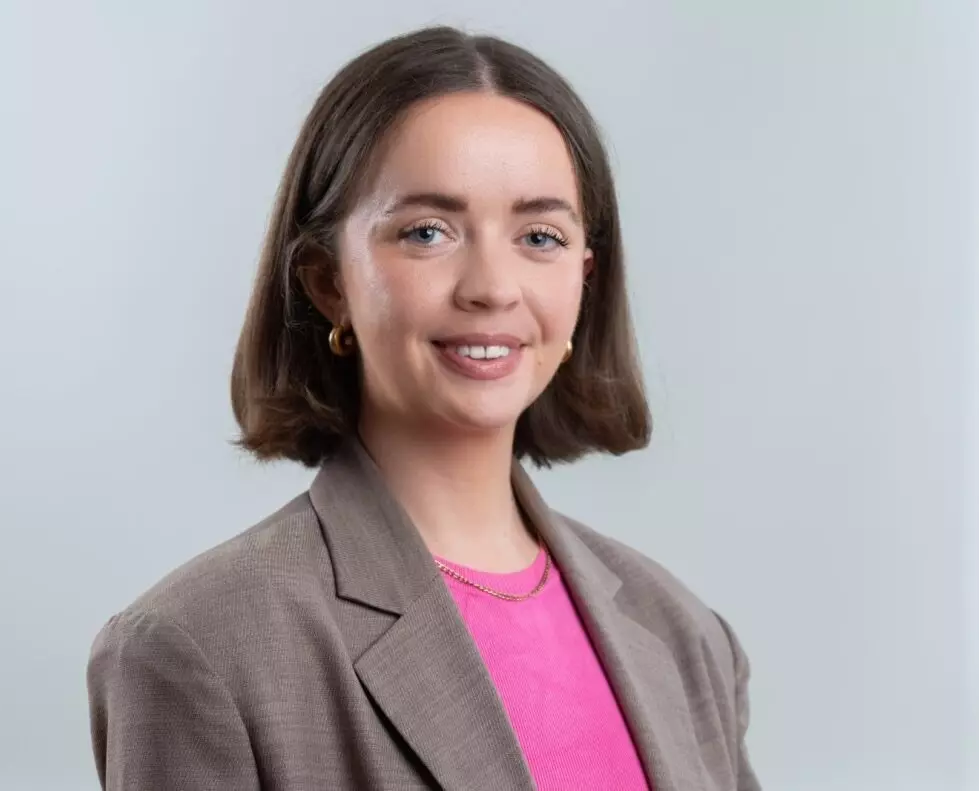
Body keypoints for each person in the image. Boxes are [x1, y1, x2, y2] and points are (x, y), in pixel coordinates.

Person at [87, 25, 759, 791]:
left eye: (539, 235)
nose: (491, 286)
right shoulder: (201, 645)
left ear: (584, 277)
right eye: (426, 232)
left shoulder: (686, 638)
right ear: (326, 279)